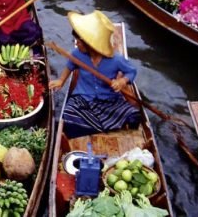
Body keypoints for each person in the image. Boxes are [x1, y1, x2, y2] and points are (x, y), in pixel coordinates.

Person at [48, 11, 141, 139]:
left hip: (109, 100)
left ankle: (93, 127)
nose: (77, 43)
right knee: (68, 116)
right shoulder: (77, 54)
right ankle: (101, 127)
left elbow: (131, 71)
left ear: (91, 44)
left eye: (79, 41)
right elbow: (69, 67)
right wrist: (61, 81)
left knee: (133, 116)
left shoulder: (116, 59)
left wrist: (122, 81)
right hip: (82, 98)